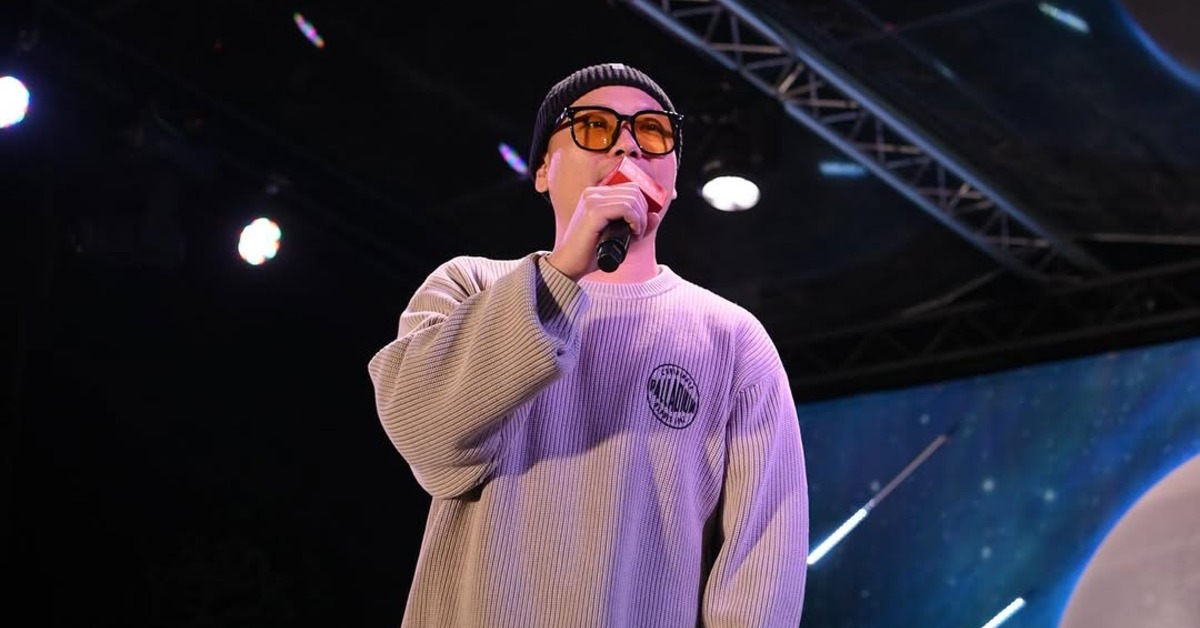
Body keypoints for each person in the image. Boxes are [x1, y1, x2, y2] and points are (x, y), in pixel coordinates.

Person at [367, 62, 809, 627]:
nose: (628, 145)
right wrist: (559, 274)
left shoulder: (731, 339)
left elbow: (763, 564)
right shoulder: (470, 285)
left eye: (653, 131)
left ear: (673, 180)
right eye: (595, 126)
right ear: (543, 170)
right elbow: (422, 434)